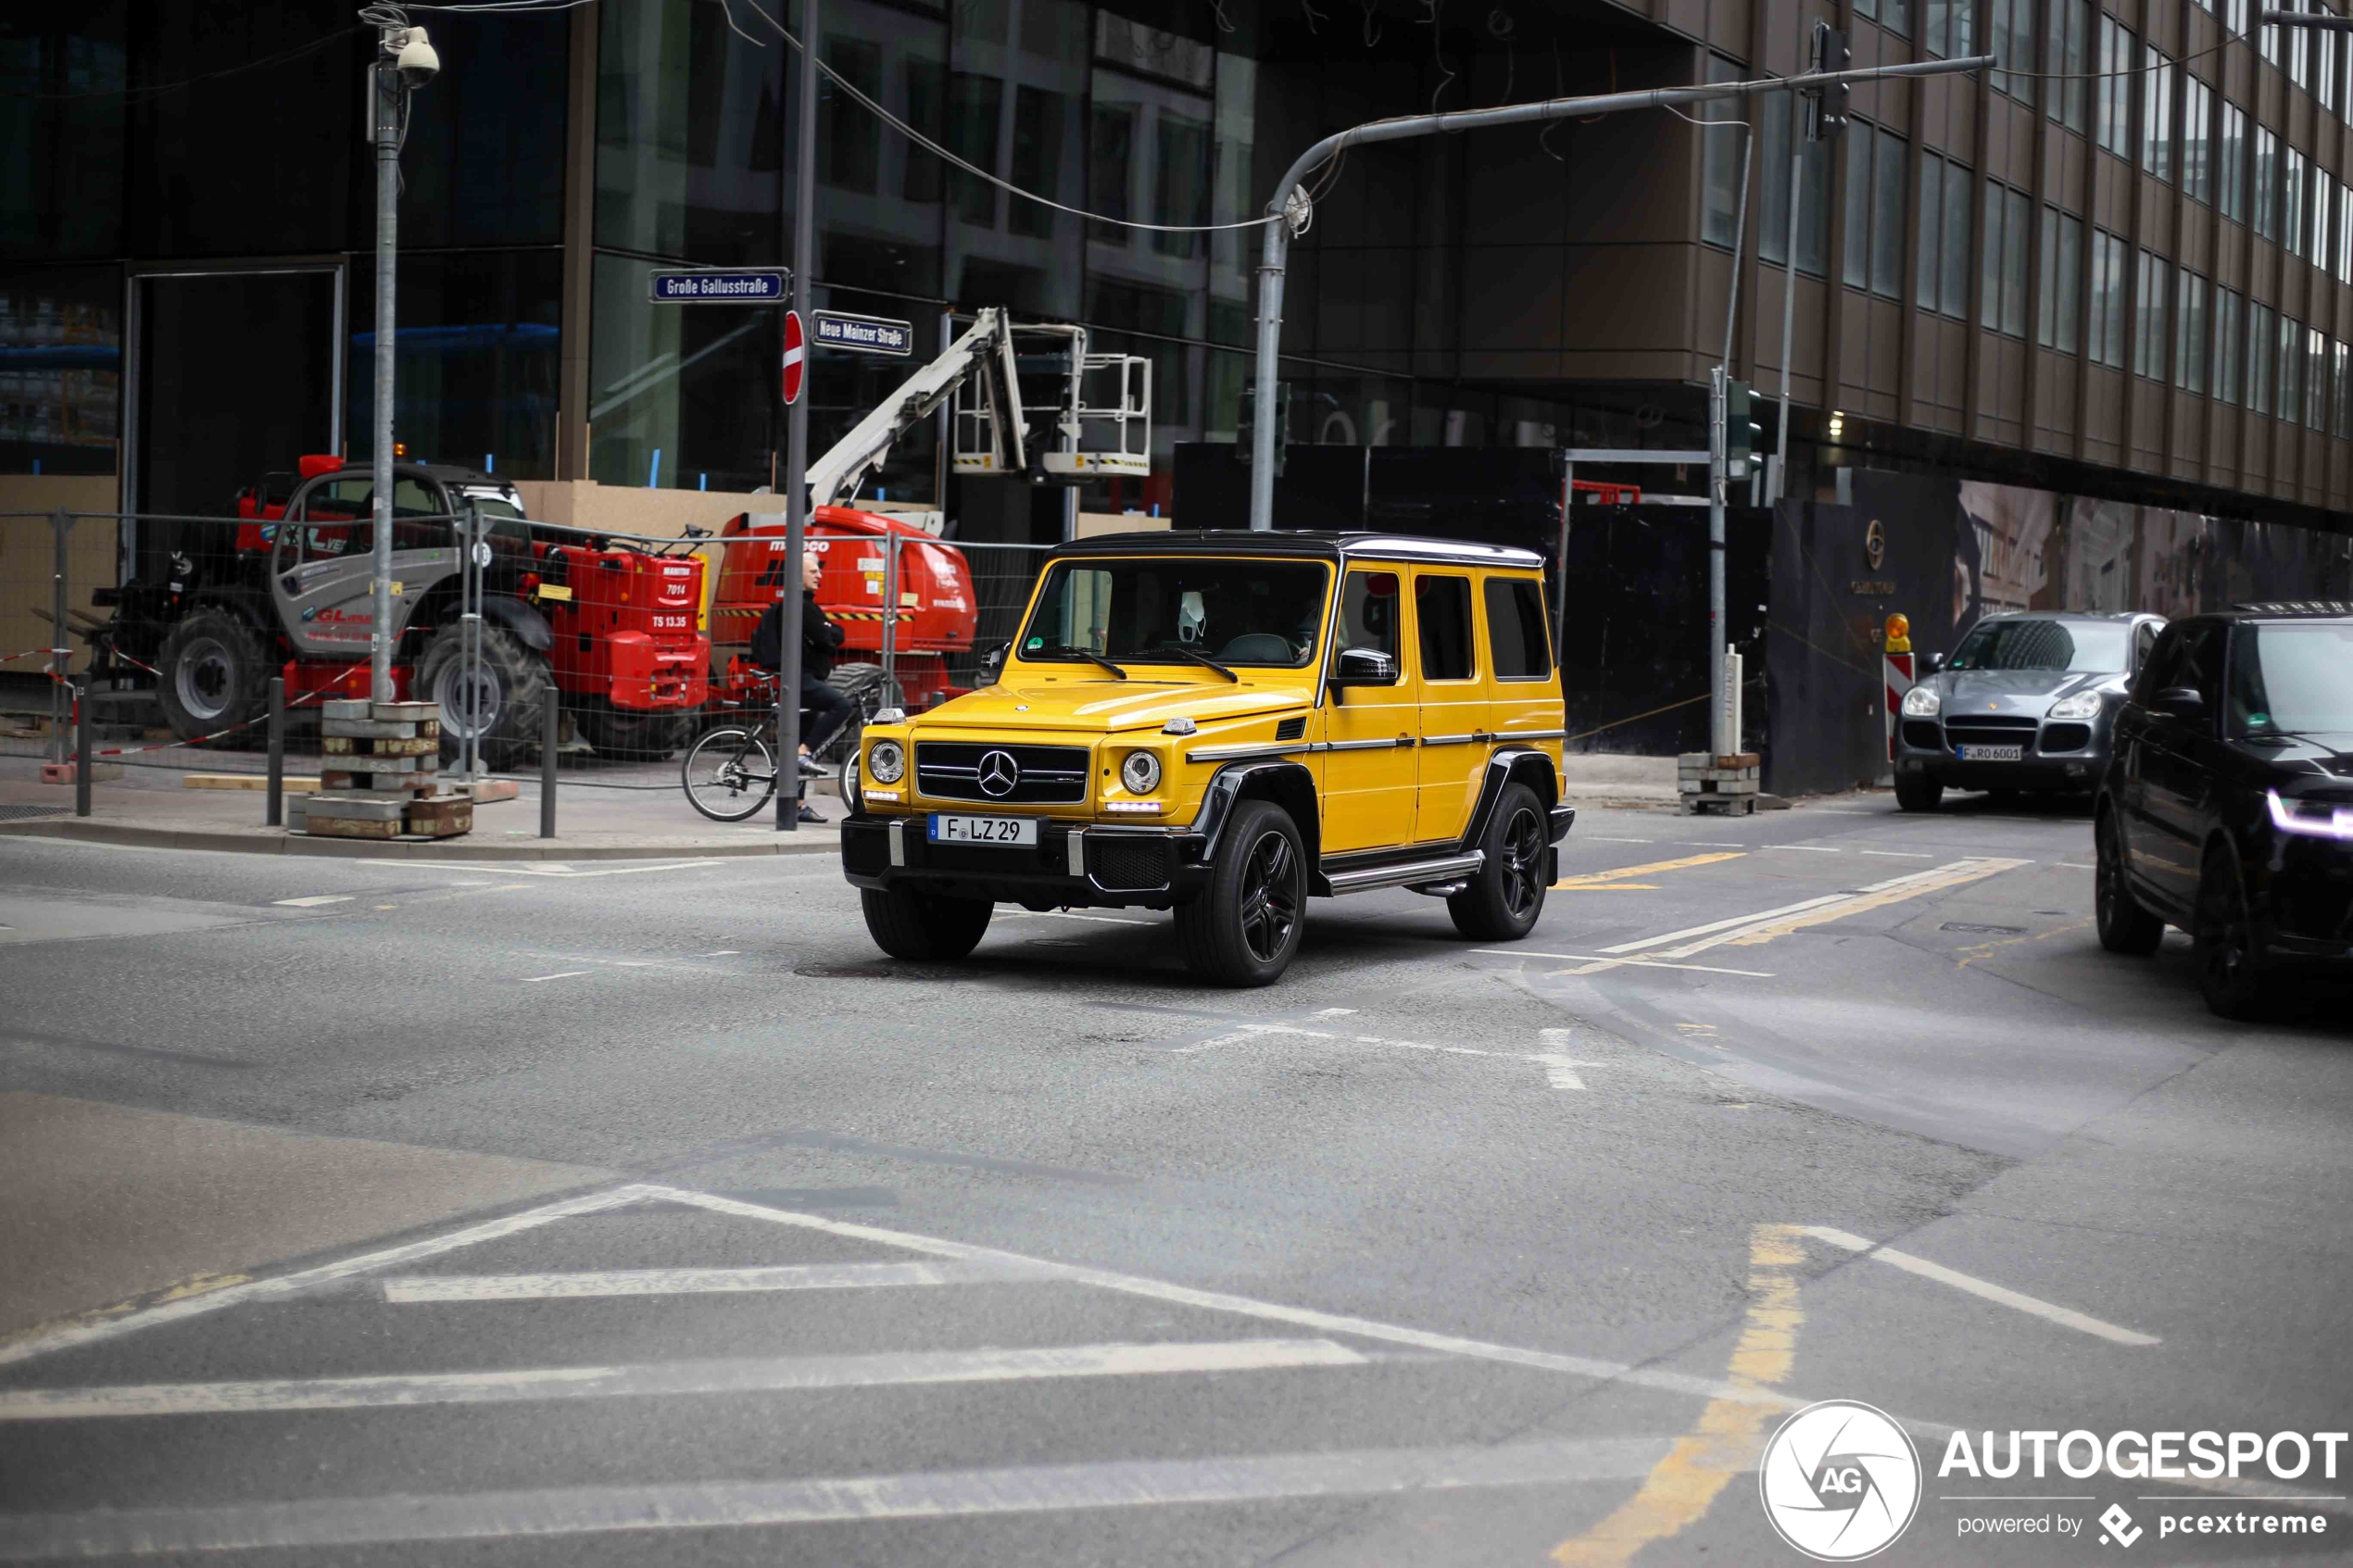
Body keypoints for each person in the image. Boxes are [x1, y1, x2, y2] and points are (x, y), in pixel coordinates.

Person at [748, 548, 851, 823]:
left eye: (819, 570)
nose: (820, 575)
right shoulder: (801, 606)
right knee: (842, 705)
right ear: (797, 575)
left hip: (806, 678)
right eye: (813, 571)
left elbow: (833, 634)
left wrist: (831, 631)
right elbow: (828, 638)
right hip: (799, 680)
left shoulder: (806, 605)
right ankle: (803, 755)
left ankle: (799, 803)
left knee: (804, 733)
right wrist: (830, 630)